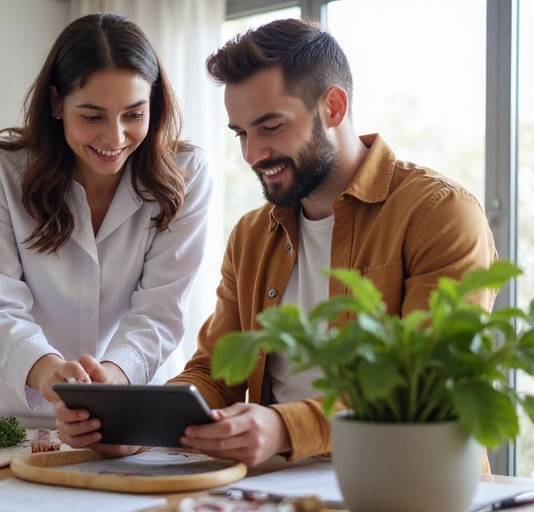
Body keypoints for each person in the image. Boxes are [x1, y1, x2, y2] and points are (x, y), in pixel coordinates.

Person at [54, 17, 497, 467]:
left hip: (408, 487)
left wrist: (284, 428)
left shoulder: (440, 214)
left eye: (270, 127)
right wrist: (133, 430)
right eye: (242, 134)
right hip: (277, 488)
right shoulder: (251, 235)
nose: (252, 155)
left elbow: (426, 387)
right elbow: (216, 375)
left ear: (334, 108)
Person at [0, 13, 212, 428]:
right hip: (28, 420)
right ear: (56, 103)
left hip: (137, 415)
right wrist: (48, 373)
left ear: (154, 104)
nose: (114, 137)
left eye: (134, 114)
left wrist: (111, 380)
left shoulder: (187, 172)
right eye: (92, 117)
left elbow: (161, 309)